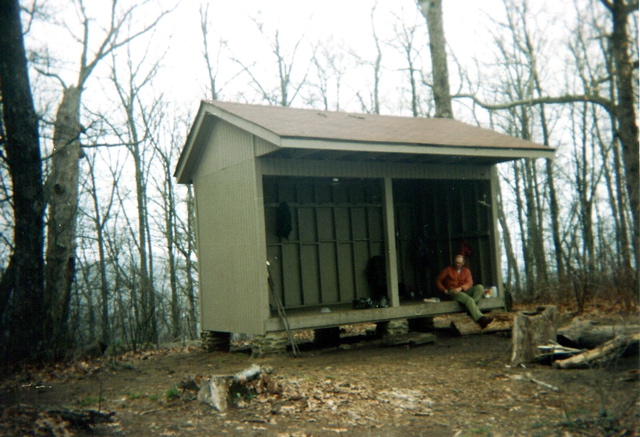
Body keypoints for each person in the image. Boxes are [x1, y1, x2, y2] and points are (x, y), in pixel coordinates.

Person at [436, 255, 493, 329]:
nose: (457, 264)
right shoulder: (448, 270)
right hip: (453, 292)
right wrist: (444, 290)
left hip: (463, 290)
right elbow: (438, 280)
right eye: (456, 262)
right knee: (469, 299)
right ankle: (481, 320)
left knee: (480, 287)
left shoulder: (466, 271)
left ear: (463, 263)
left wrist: (461, 288)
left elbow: (469, 283)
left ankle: (471, 309)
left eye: (459, 263)